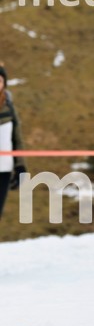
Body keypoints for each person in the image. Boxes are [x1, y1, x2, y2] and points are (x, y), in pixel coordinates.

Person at [0, 64, 27, 220]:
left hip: (3, 169)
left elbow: (16, 137)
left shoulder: (9, 106)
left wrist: (20, 166)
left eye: (0, 81)